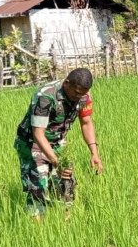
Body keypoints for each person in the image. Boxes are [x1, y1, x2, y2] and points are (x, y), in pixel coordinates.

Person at [14, 68, 103, 217]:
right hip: (32, 143)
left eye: (83, 93)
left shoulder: (84, 96)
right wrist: (56, 162)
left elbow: (86, 123)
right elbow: (38, 134)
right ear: (67, 83)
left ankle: (65, 230)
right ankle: (39, 235)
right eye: (77, 92)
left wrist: (94, 153)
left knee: (66, 185)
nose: (79, 97)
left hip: (58, 142)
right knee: (38, 189)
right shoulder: (45, 96)